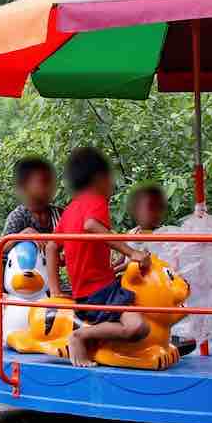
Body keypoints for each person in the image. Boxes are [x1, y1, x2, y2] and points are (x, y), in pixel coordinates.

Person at [48, 147, 152, 367]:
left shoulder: (70, 209)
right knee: (139, 327)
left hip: (84, 297)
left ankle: (91, 336)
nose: (112, 186)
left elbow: (51, 246)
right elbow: (91, 226)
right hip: (102, 294)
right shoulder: (96, 200)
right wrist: (133, 252)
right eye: (111, 178)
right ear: (99, 178)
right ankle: (81, 336)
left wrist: (56, 290)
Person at [0, 156, 63, 353]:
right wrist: (20, 236)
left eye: (51, 182)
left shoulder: (58, 215)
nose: (49, 188)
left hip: (50, 280)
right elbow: (1, 248)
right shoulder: (19, 215)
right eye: (42, 182)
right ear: (24, 187)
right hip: (21, 276)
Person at [112, 183, 166, 273]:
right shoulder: (132, 232)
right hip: (127, 277)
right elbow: (122, 258)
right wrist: (111, 267)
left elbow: (135, 261)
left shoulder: (158, 236)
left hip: (142, 281)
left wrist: (114, 271)